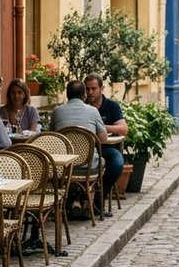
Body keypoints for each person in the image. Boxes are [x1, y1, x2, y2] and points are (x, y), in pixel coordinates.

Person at [84, 74, 126, 218]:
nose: (90, 92)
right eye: (87, 89)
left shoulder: (112, 106)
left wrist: (100, 126)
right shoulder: (82, 106)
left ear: (102, 89)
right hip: (85, 150)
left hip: (106, 149)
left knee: (117, 163)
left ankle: (98, 200)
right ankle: (73, 203)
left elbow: (123, 129)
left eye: (94, 88)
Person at [49, 80, 108, 176]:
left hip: (63, 166)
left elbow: (51, 136)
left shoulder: (57, 111)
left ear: (67, 95)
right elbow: (103, 138)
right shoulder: (93, 111)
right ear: (85, 95)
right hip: (89, 165)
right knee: (104, 160)